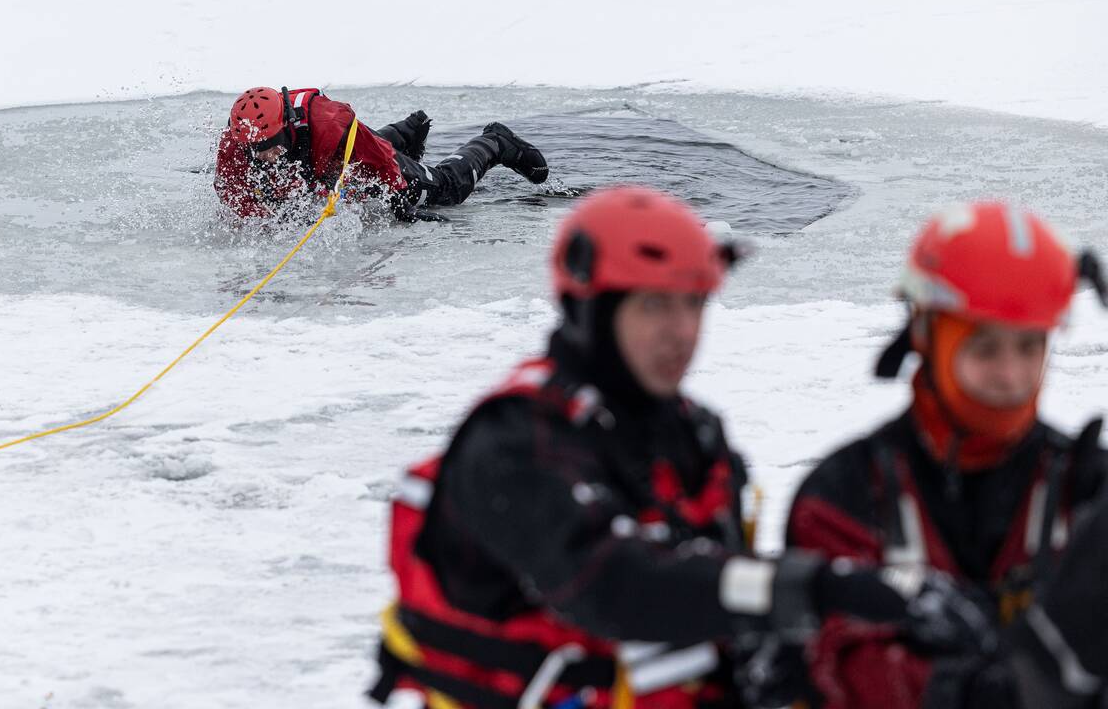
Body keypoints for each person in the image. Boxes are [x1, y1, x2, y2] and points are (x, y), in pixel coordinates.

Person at [368, 186, 992, 709]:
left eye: (693, 304)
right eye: (655, 306)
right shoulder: (512, 443)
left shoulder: (694, 438)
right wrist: (821, 589)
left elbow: (718, 592)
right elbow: (614, 587)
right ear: (591, 310)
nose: (682, 332)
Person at [784, 201, 1108, 708]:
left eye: (1029, 347)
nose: (1011, 376)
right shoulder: (843, 498)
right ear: (925, 333)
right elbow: (846, 667)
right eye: (985, 348)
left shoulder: (1084, 489)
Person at [214, 86, 549, 221]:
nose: (266, 156)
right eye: (257, 150)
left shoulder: (330, 123)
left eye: (272, 145)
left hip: (361, 151)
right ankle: (408, 131)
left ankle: (494, 142)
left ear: (287, 123)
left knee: (444, 190)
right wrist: (262, 219)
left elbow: (377, 157)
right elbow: (230, 190)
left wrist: (401, 200)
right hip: (332, 159)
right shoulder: (237, 140)